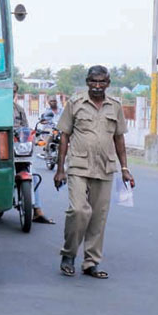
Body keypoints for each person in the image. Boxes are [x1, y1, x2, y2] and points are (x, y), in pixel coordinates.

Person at [54, 65, 135, 279]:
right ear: (87, 82)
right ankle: (69, 254)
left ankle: (91, 262)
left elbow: (119, 138)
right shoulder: (75, 103)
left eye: (102, 82)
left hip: (105, 167)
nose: (97, 86)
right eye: (93, 82)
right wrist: (60, 169)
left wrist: (125, 169)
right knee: (79, 211)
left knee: (98, 217)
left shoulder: (115, 106)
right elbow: (64, 135)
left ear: (108, 83)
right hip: (79, 166)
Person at [0, 83, 53, 225]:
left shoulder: (19, 110)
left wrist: (34, 135)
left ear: (15, 93)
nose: (11, 94)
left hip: (16, 149)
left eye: (13, 91)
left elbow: (25, 128)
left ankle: (37, 210)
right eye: (8, 91)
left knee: (32, 173)